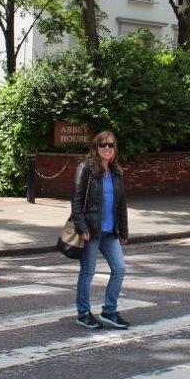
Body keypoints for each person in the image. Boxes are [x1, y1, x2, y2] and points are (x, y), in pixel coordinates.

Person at [71, 131, 130, 331]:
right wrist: (81, 226)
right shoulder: (86, 168)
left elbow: (121, 204)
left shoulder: (116, 171)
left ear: (115, 149)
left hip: (110, 231)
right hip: (91, 230)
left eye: (110, 145)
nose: (107, 148)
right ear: (96, 147)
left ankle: (109, 311)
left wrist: (123, 231)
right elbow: (77, 200)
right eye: (103, 145)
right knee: (88, 272)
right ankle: (83, 313)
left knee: (120, 268)